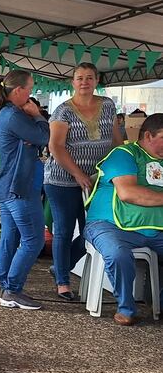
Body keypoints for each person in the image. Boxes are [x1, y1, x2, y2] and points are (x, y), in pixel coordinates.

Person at [44, 63, 123, 300]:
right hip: (61, 179)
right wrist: (77, 173)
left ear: (96, 80)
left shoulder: (108, 105)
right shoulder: (63, 111)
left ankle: (62, 264)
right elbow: (55, 146)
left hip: (97, 179)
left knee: (94, 229)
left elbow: (116, 139)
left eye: (89, 78)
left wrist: (117, 168)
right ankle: (63, 283)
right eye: (80, 78)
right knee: (64, 229)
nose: (84, 82)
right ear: (73, 82)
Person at [84, 114, 163, 326]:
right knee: (118, 254)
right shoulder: (124, 154)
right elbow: (128, 192)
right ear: (148, 135)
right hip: (108, 225)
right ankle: (127, 307)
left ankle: (160, 303)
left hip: (155, 229)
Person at [0, 70, 50, 310]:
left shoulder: (6, 114)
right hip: (20, 186)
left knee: (10, 236)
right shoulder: (14, 115)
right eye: (30, 89)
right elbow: (43, 136)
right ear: (18, 91)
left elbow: (34, 140)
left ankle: (6, 284)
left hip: (9, 185)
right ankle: (12, 289)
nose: (31, 94)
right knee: (34, 239)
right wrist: (38, 116)